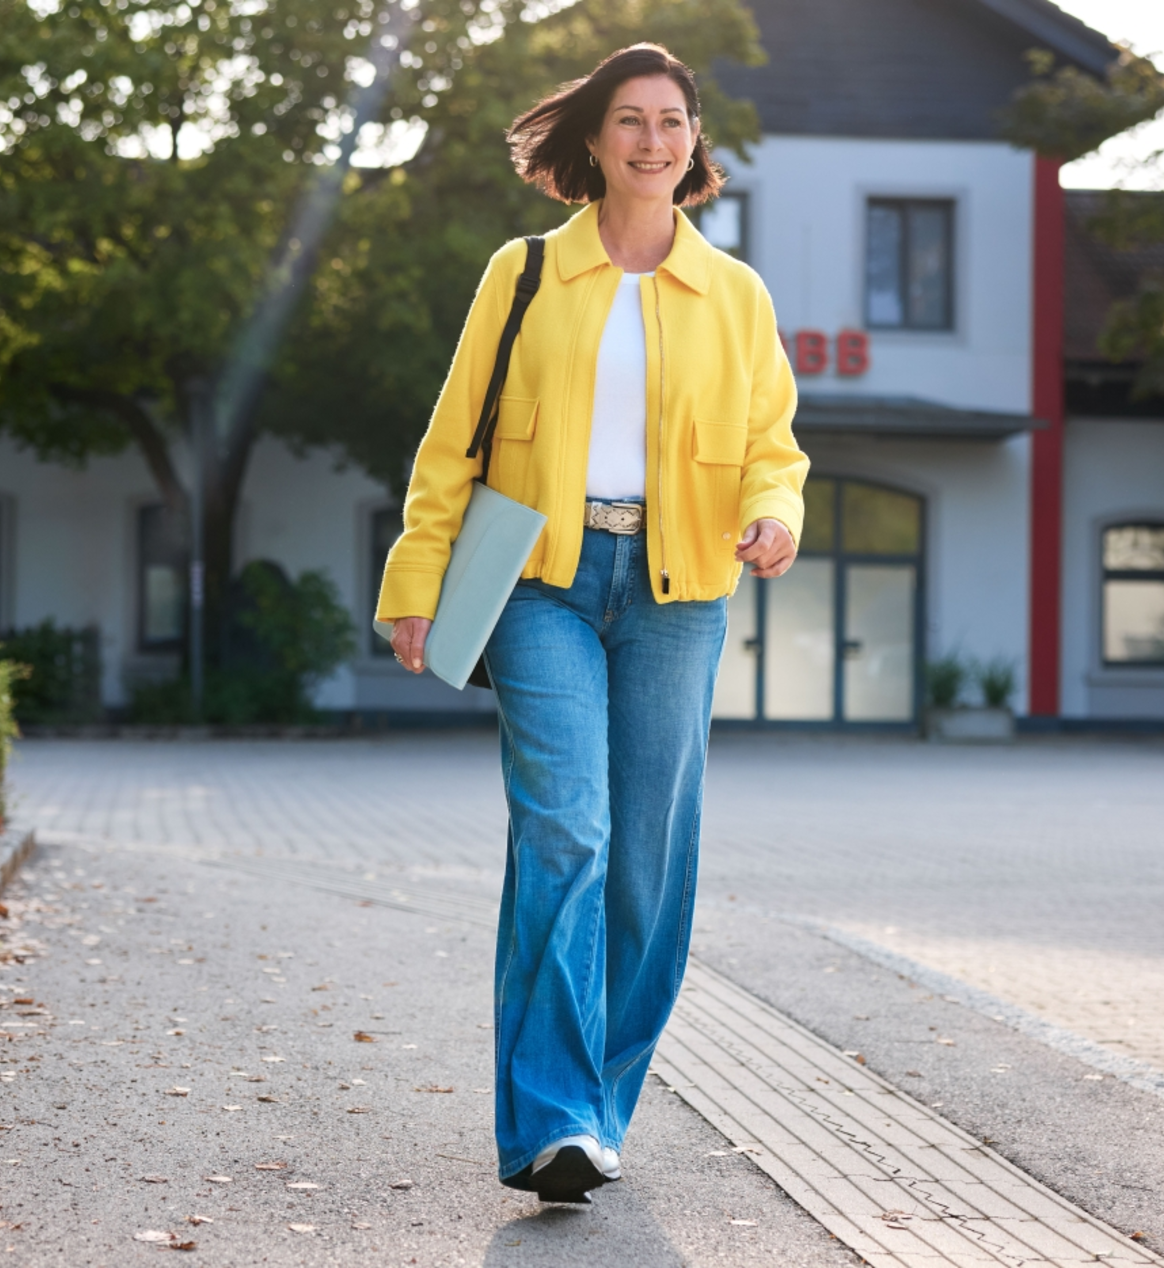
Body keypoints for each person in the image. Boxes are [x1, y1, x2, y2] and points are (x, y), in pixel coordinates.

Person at [375, 43, 807, 1204]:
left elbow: (774, 444)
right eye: (630, 119)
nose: (652, 141)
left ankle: (599, 1108)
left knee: (648, 860)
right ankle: (552, 1117)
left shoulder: (735, 295)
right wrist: (416, 574)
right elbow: (452, 436)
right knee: (566, 827)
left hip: (678, 593)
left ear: (693, 144)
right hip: (540, 581)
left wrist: (773, 513)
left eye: (672, 121)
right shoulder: (522, 273)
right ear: (595, 139)